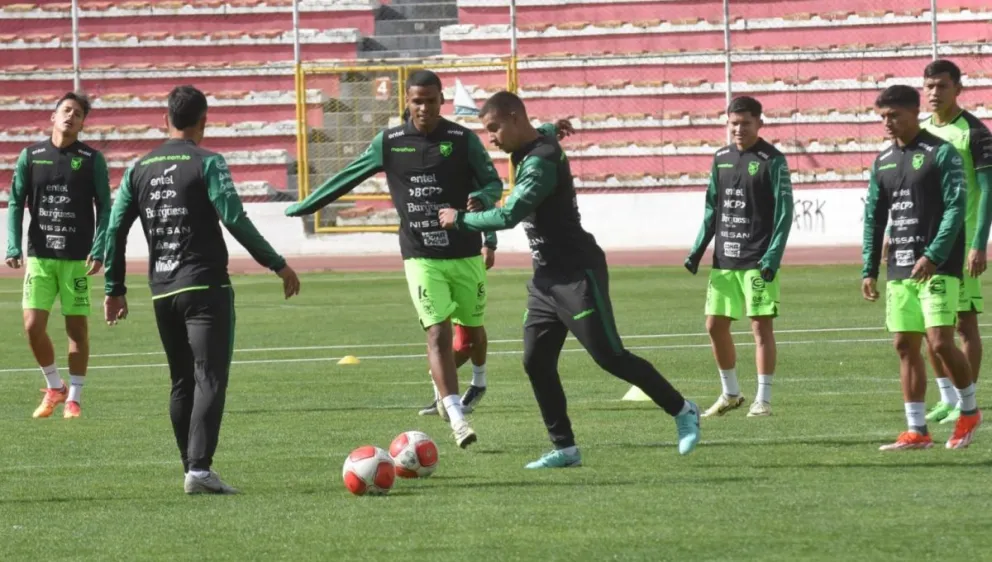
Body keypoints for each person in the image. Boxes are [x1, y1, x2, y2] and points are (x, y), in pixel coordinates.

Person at [437, 91, 701, 469]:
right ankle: (565, 448)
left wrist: (459, 220)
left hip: (578, 273)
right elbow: (540, 131)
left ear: (513, 118)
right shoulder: (531, 144)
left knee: (609, 356)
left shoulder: (541, 161)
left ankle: (683, 409)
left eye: (493, 128)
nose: (490, 137)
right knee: (536, 361)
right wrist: (553, 127)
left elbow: (511, 215)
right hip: (546, 278)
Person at [285, 70, 505, 449]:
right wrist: (308, 205)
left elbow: (493, 183)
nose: (424, 108)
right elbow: (348, 176)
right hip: (420, 256)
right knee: (436, 332)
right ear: (407, 100)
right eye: (417, 101)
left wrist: (484, 207)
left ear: (441, 100)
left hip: (464, 253)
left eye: (432, 100)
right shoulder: (389, 142)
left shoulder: (462, 140)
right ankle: (455, 417)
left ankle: (475, 383)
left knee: (470, 338)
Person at [103, 85, 301, 494]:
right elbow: (234, 217)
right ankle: (199, 468)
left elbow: (115, 230)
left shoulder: (139, 168)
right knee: (209, 377)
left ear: (165, 119)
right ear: (203, 122)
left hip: (161, 290)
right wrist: (276, 263)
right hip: (205, 286)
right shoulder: (209, 162)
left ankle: (190, 467)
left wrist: (114, 287)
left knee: (181, 382)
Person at [418, 118, 577, 420]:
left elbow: (486, 194)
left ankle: (464, 386)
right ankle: (455, 390)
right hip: (428, 258)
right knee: (449, 334)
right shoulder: (416, 167)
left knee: (466, 336)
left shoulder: (459, 152)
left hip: (464, 255)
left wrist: (488, 241)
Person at [861, 84, 981, 451]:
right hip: (900, 267)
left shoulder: (941, 153)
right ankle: (917, 431)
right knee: (903, 344)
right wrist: (869, 268)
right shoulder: (882, 162)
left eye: (894, 115)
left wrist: (933, 255)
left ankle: (970, 410)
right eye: (883, 116)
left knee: (942, 342)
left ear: (915, 113)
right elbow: (874, 218)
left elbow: (955, 210)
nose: (888, 122)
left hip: (938, 266)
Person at [684, 96, 794, 418]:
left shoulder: (773, 160)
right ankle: (731, 393)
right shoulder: (720, 158)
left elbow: (785, 213)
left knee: (760, 329)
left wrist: (772, 257)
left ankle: (763, 400)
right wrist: (697, 250)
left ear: (760, 123)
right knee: (714, 326)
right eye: (733, 122)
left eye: (746, 122)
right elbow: (711, 208)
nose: (739, 128)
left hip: (758, 261)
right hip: (724, 261)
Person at [5, 92, 111, 419]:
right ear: (53, 116)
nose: (70, 117)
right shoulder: (31, 155)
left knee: (76, 330)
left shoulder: (92, 159)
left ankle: (74, 398)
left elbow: (105, 206)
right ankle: (54, 385)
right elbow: (15, 202)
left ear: (82, 123)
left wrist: (99, 246)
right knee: (32, 325)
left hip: (76, 258)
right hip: (40, 255)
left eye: (77, 114)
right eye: (65, 111)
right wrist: (13, 244)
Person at [918, 59, 992, 425]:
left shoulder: (975, 133)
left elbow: (989, 191)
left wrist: (979, 243)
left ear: (958, 89)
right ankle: (948, 398)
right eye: (929, 86)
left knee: (963, 325)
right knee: (933, 326)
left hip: (962, 245)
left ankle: (968, 399)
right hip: (928, 244)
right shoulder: (921, 132)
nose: (934, 93)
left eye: (942, 86)